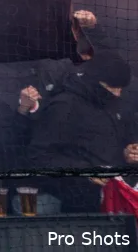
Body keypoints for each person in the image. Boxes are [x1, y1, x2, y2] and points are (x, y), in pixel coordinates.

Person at [26, 51, 138, 214]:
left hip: (120, 196)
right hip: (79, 201)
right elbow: (39, 155)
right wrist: (85, 171)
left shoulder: (116, 103)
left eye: (120, 88)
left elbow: (117, 143)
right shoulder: (65, 106)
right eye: (113, 88)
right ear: (96, 82)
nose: (118, 93)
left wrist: (128, 153)